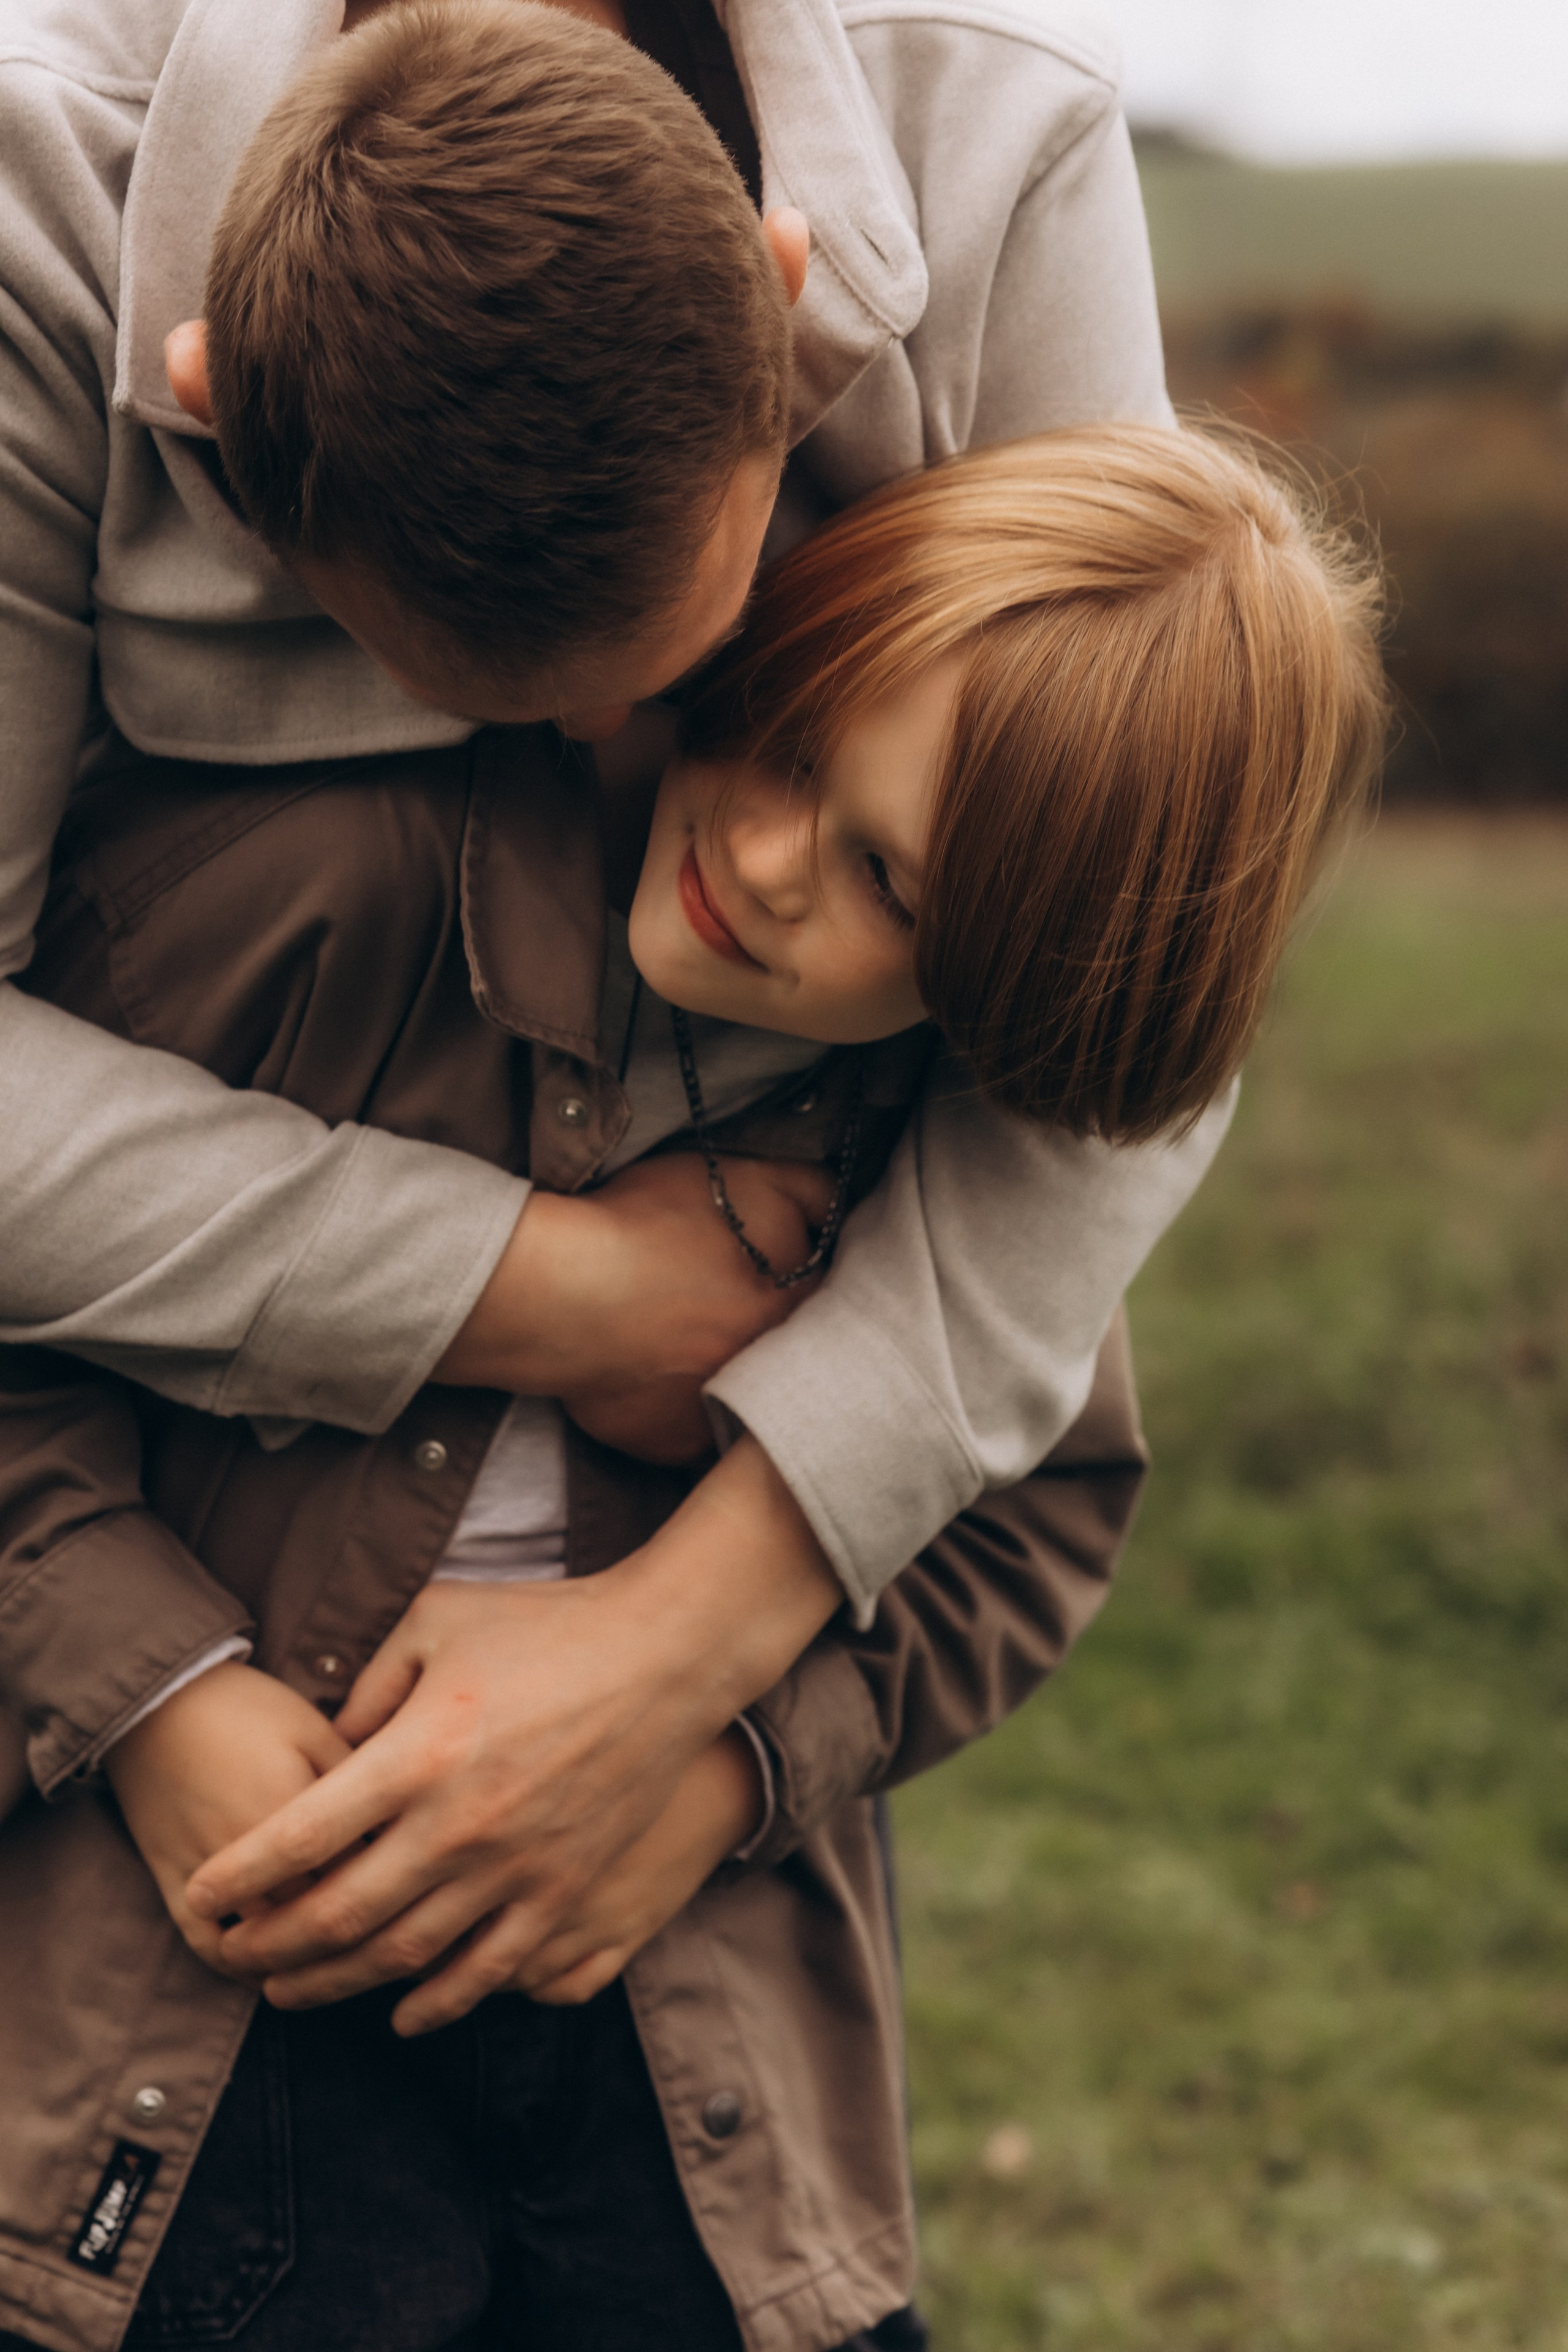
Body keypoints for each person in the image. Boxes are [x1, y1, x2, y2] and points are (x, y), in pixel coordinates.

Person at [0, 424, 1388, 2352]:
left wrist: (725, 1764)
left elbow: (1035, 1513)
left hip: (691, 2083)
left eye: (889, 883)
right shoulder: (306, 887)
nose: (756, 857)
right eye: (790, 733)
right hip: (195, 2040)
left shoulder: (943, 1161)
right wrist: (153, 1694)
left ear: (1011, 992)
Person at [0, 0, 1231, 2023]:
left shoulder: (996, 141)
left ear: (789, 296)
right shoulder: (44, 183)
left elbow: (1138, 946)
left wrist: (690, 1652)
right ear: (205, 413)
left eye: (729, 658)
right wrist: (544, 1289)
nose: (633, 773)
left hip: (690, 1863)